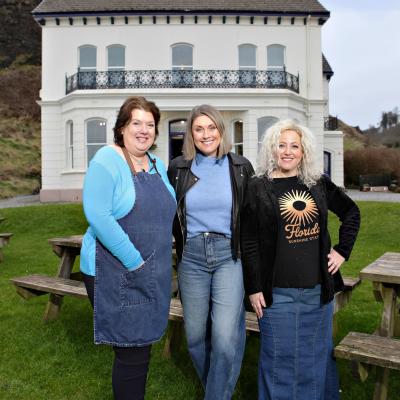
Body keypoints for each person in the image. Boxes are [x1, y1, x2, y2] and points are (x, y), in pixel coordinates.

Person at [241, 120, 360, 400]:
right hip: (275, 293)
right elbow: (248, 241)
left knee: (315, 359)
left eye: (294, 146)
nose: (288, 151)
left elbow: (351, 212)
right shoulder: (257, 187)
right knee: (277, 361)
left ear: (303, 151)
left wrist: (343, 251)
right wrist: (254, 287)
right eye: (281, 145)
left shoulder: (317, 183)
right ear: (272, 149)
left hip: (317, 292)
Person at [80, 96, 176, 400]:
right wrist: (136, 263)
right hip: (115, 272)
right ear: (122, 127)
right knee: (131, 355)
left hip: (150, 272)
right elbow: (98, 216)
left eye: (150, 124)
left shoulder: (158, 165)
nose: (144, 130)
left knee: (141, 350)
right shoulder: (107, 160)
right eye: (137, 123)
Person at [167, 104, 254, 399]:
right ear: (191, 133)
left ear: (221, 130)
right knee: (194, 337)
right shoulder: (179, 168)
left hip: (229, 255)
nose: (206, 134)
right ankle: (217, 390)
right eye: (199, 128)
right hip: (191, 256)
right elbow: (167, 212)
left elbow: (254, 218)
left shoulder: (241, 167)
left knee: (225, 336)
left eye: (211, 128)